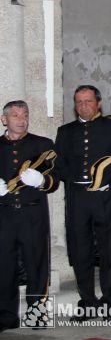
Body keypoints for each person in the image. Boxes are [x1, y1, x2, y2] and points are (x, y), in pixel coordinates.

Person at [54, 85, 111, 322]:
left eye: (88, 101)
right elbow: (58, 164)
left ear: (98, 103)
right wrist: (73, 179)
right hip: (78, 198)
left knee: (109, 250)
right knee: (80, 251)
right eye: (79, 102)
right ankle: (88, 303)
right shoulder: (65, 131)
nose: (83, 106)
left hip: (104, 197)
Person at [0, 101, 58, 331]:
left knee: (37, 265)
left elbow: (57, 176)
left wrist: (42, 181)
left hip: (33, 214)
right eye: (15, 115)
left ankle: (37, 316)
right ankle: (5, 317)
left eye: (24, 115)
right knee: (4, 268)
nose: (21, 119)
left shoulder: (42, 145)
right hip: (3, 216)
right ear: (4, 120)